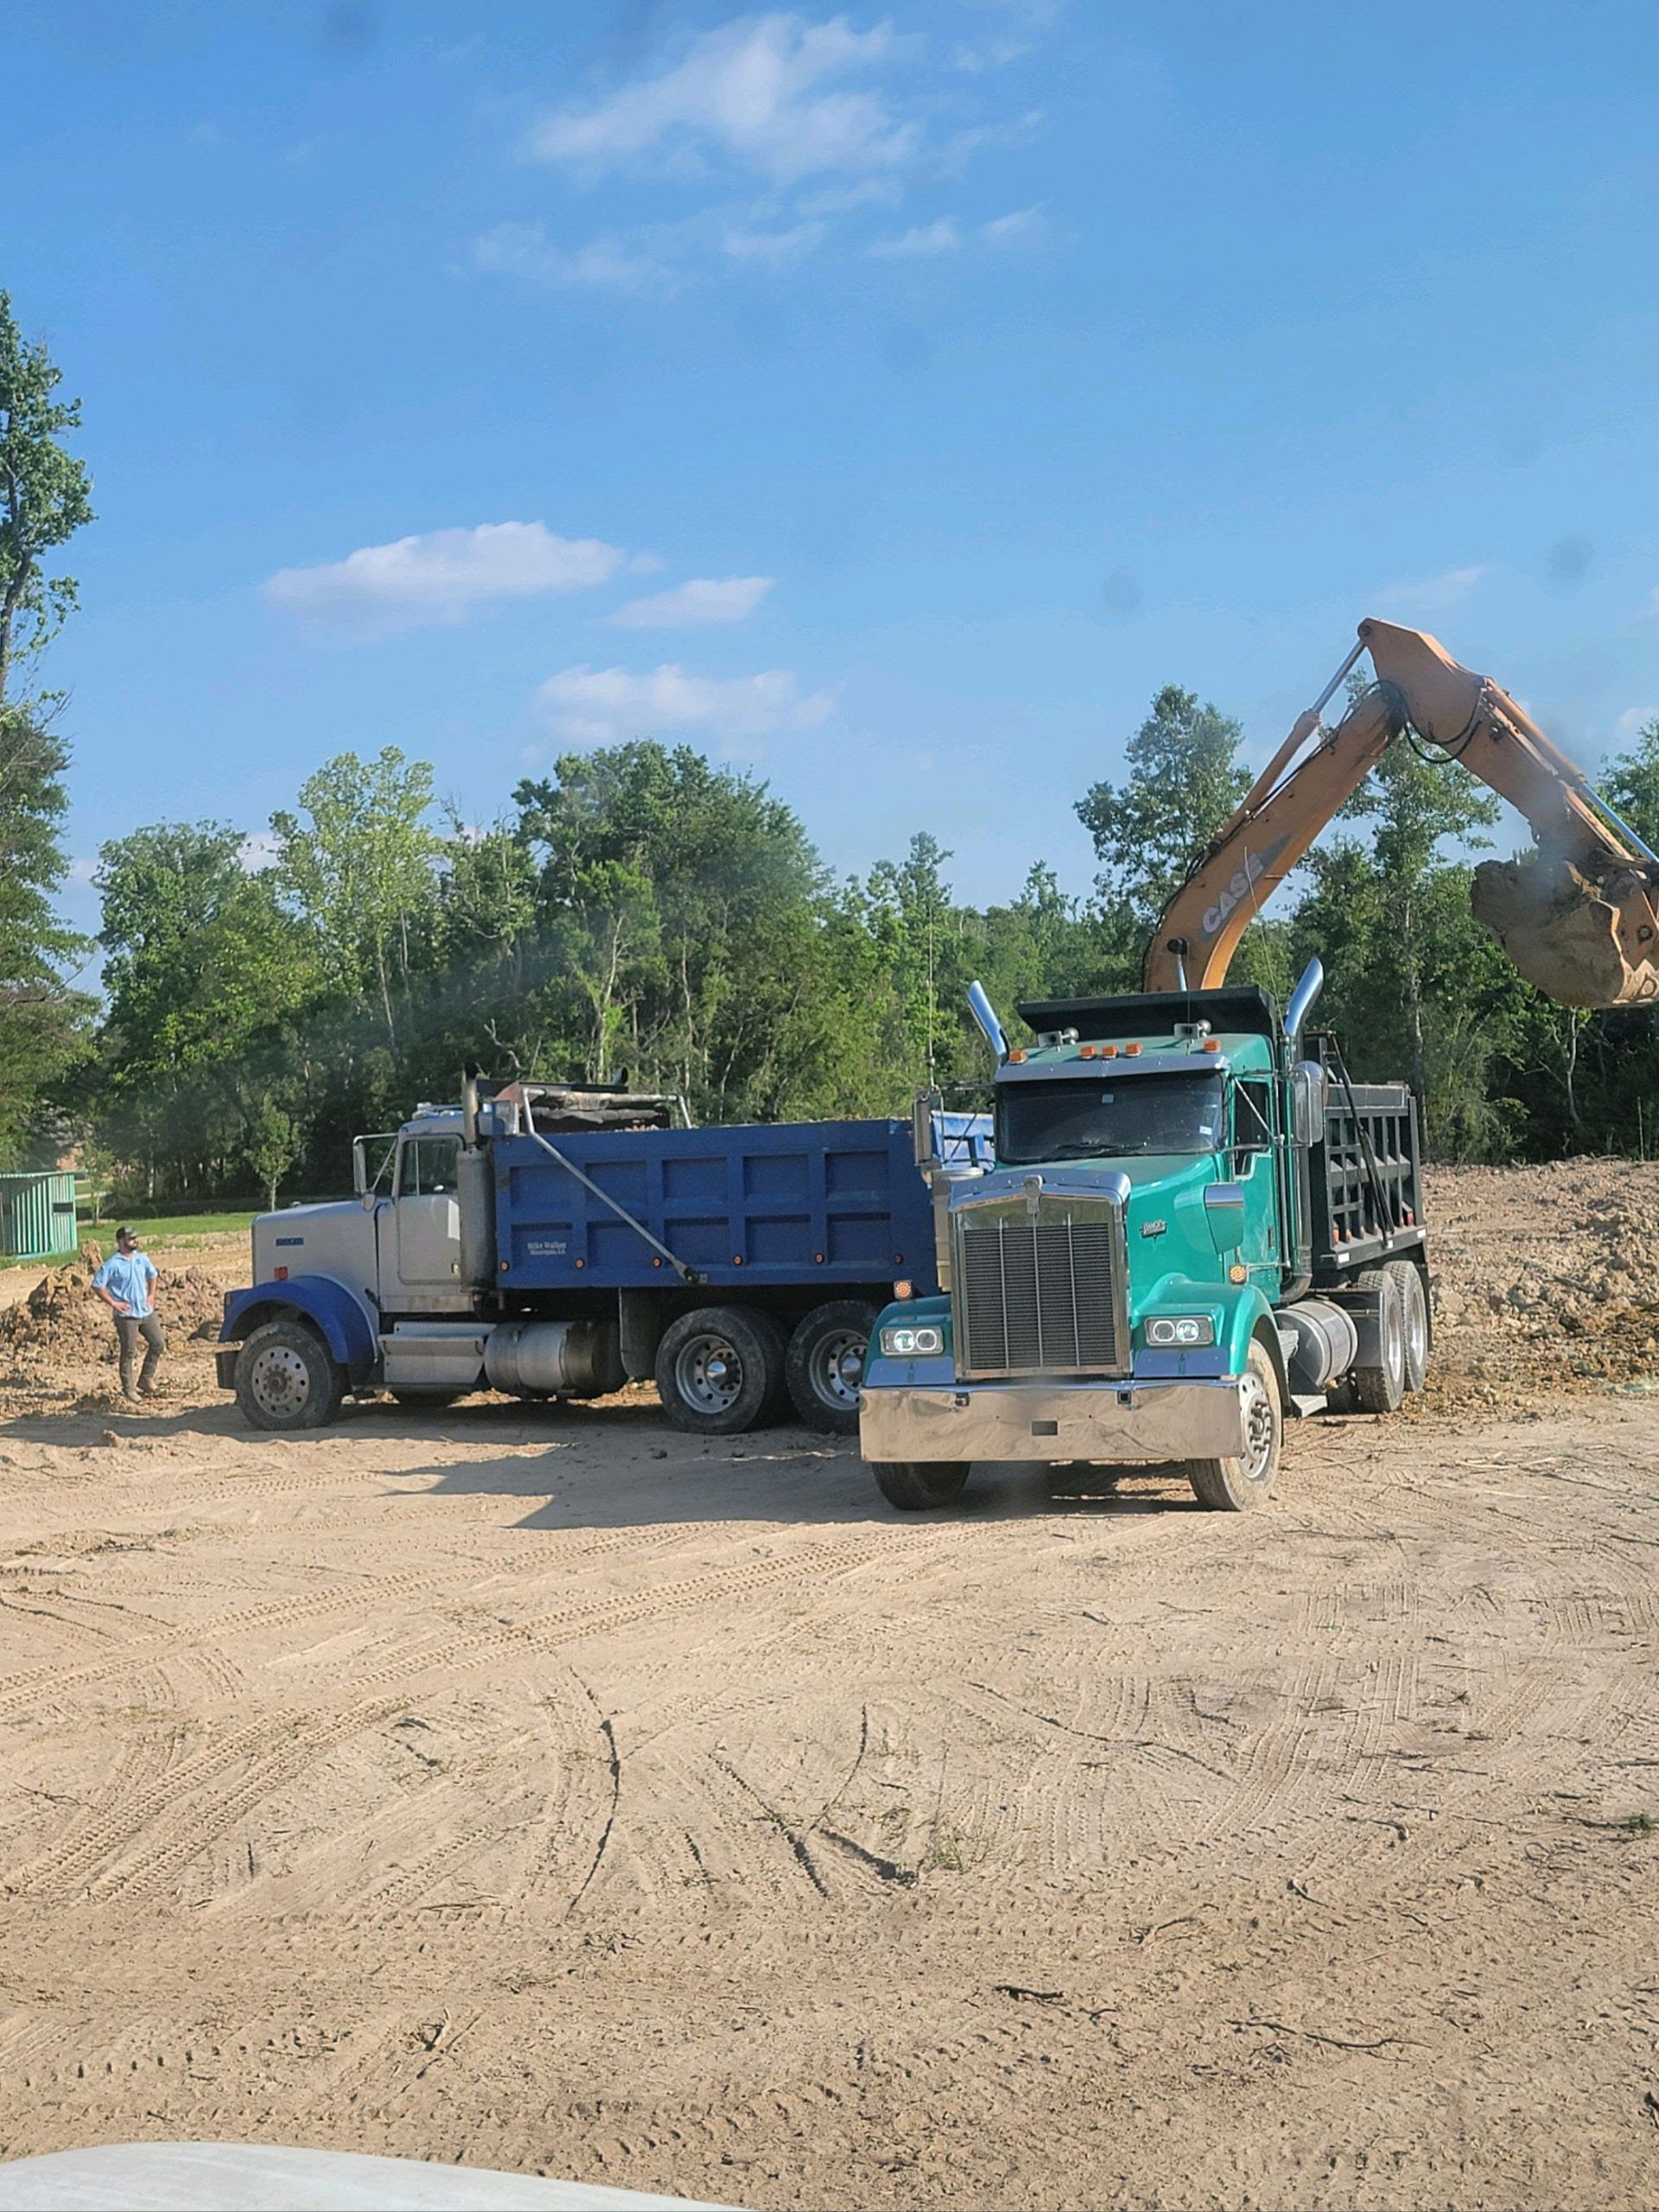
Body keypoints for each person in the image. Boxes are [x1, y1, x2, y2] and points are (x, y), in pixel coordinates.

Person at [91, 1227, 165, 1401]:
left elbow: (153, 1275)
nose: (135, 1241)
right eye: (131, 1239)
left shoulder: (142, 1259)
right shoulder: (113, 1264)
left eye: (135, 1238)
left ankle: (146, 1380)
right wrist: (113, 1303)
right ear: (121, 1241)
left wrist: (152, 1294)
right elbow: (97, 1285)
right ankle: (129, 1388)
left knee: (158, 1343)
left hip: (145, 1311)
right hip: (126, 1316)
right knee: (129, 1351)